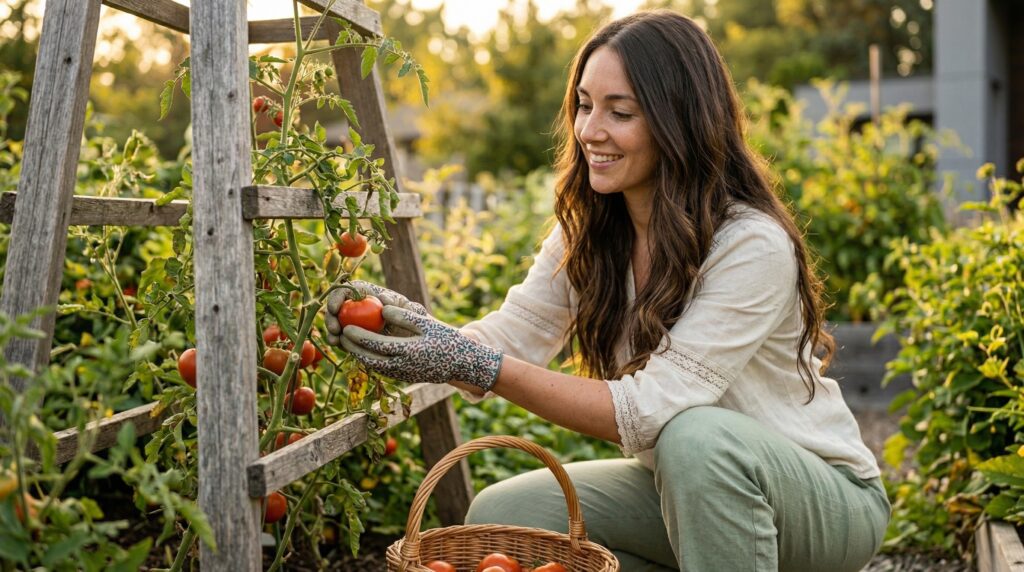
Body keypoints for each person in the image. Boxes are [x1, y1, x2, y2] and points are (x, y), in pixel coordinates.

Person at [325, 9, 889, 571]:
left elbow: (645, 411)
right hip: (688, 487)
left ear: (680, 122)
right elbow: (512, 338)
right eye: (584, 105)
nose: (590, 131)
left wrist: (474, 362)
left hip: (821, 500)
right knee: (505, 514)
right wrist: (413, 331)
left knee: (694, 435)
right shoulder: (590, 232)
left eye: (620, 112)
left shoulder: (750, 244)